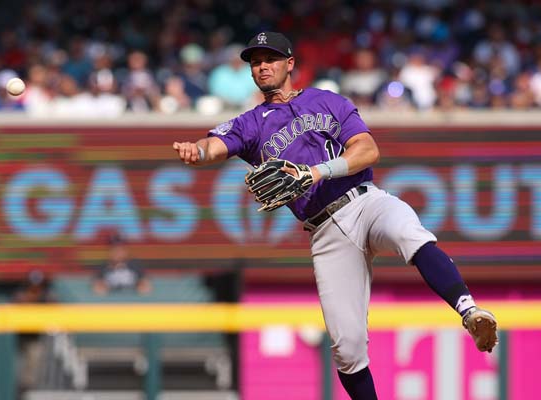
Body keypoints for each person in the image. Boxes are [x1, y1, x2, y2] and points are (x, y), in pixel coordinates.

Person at [172, 32, 498, 399]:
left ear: (289, 64)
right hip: (324, 230)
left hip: (364, 200)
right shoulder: (252, 123)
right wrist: (196, 152)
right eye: (256, 61)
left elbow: (368, 149)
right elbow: (214, 145)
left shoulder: (326, 101)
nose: (263, 66)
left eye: (271, 58)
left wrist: (316, 172)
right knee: (347, 348)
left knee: (408, 230)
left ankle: (469, 312)